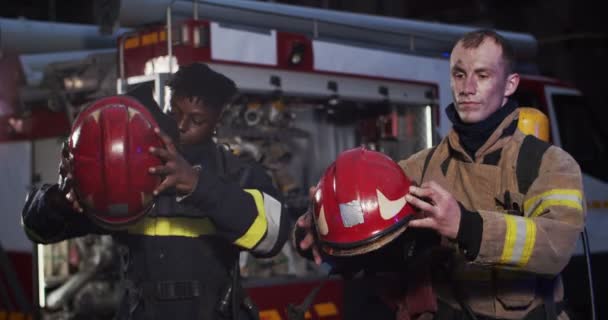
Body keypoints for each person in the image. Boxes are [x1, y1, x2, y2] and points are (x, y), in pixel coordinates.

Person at [295, 29, 585, 320]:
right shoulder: (421, 167)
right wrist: (322, 231)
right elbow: (373, 244)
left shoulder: (549, 164)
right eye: (459, 75)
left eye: (482, 76)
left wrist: (466, 226)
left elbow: (555, 246)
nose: (467, 87)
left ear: (510, 85)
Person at [22, 63, 288, 319]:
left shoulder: (236, 174)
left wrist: (198, 185)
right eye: (175, 112)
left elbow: (273, 236)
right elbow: (36, 229)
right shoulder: (134, 169)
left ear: (217, 120)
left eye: (197, 119)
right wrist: (59, 201)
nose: (182, 126)